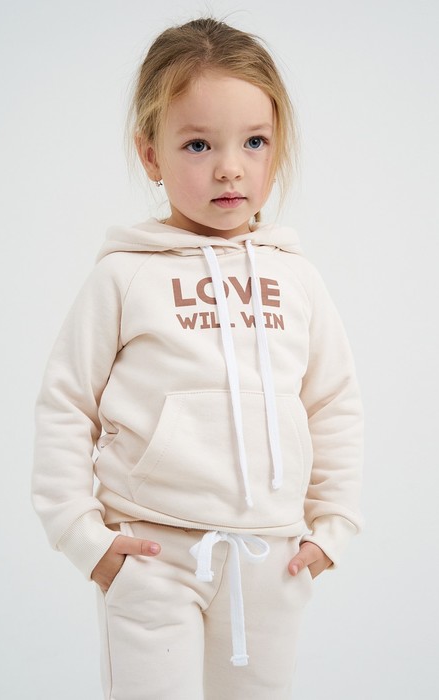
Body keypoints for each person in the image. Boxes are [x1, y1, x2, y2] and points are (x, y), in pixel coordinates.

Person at [32, 17, 363, 700]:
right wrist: (84, 538)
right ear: (150, 154)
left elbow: (332, 402)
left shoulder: (296, 278)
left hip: (272, 556)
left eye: (254, 142)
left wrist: (332, 527)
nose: (229, 167)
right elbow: (66, 404)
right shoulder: (124, 276)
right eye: (198, 144)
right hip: (152, 553)